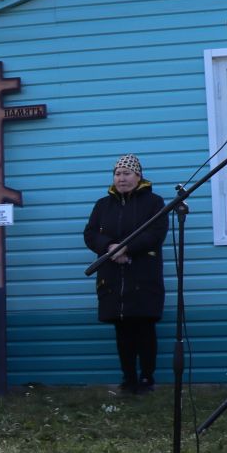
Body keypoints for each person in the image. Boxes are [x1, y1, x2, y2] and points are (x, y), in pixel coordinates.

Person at [82, 154, 168, 394]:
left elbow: (156, 234)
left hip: (142, 275)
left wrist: (127, 247)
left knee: (144, 328)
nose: (122, 178)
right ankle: (128, 379)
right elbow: (90, 234)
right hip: (113, 277)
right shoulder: (102, 205)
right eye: (118, 174)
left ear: (138, 176)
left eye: (127, 174)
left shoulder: (154, 202)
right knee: (122, 330)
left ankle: (146, 379)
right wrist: (109, 247)